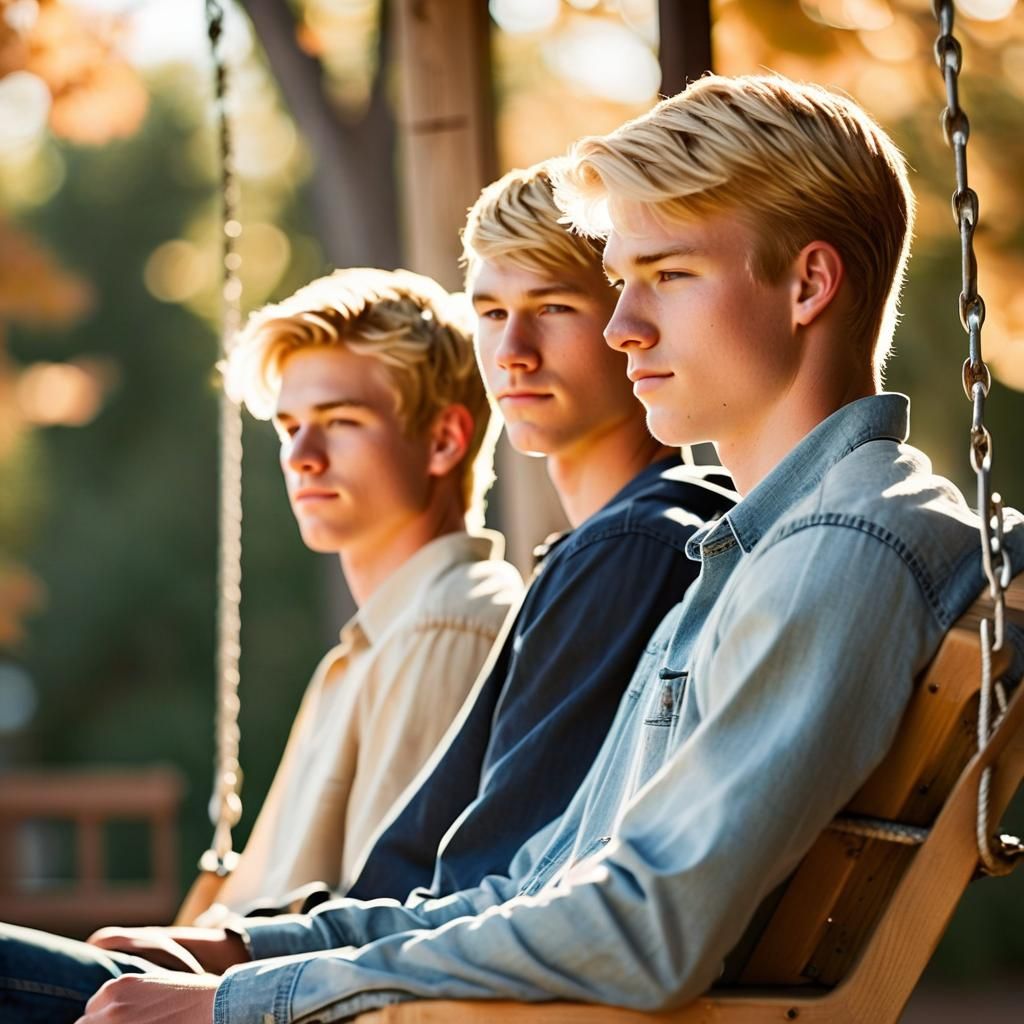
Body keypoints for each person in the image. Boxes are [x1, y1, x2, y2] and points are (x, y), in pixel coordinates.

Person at [60, 72, 1024, 1022]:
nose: (622, 327)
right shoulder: (747, 556)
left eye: (668, 276)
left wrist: (249, 1001)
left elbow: (643, 926)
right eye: (618, 282)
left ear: (810, 282)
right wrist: (265, 953)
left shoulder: (835, 553)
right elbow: (533, 883)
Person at [0, 163, 734, 1019]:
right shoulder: (572, 570)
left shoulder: (512, 601)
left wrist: (229, 986)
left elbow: (458, 899)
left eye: (555, 308)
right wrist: (237, 944)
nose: (513, 351)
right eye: (492, 314)